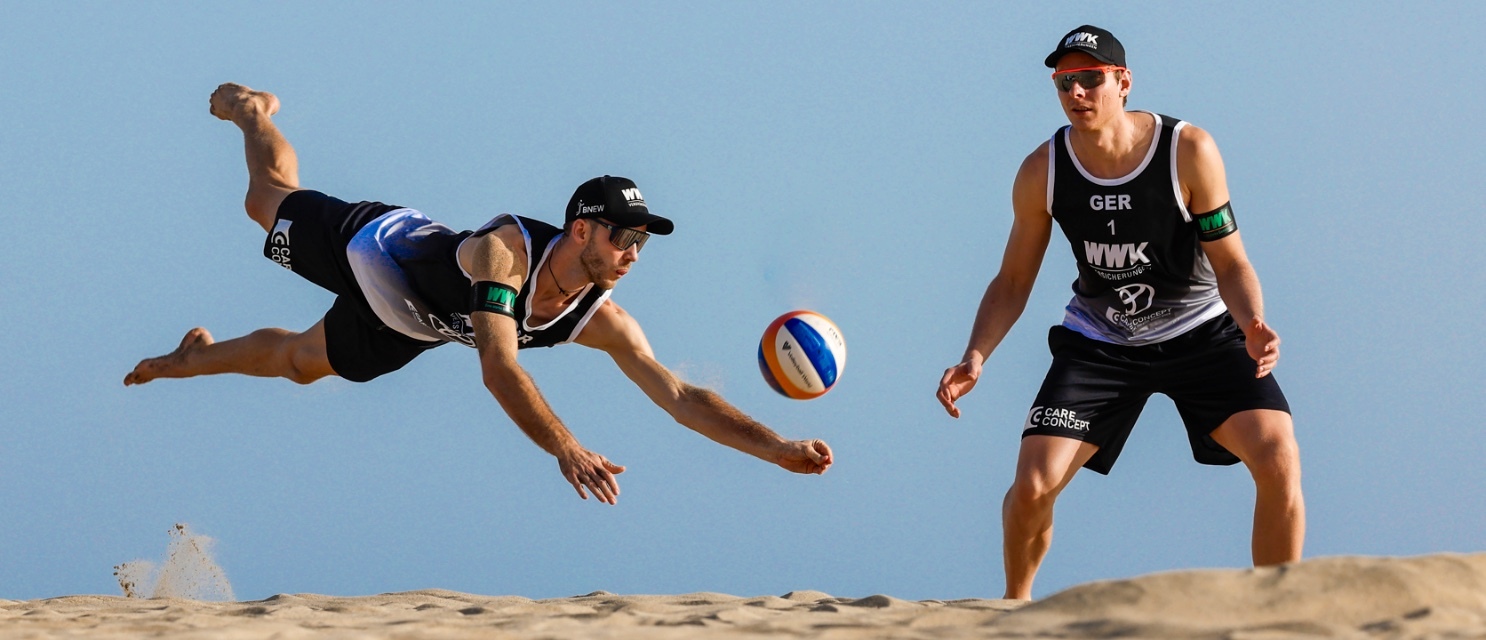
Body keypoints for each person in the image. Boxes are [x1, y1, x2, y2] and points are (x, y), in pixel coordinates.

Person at [126, 83, 833, 505]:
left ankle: (192, 357)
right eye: (623, 237)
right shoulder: (507, 254)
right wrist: (565, 447)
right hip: (377, 253)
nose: (632, 254)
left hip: (416, 324)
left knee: (300, 365)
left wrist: (775, 449)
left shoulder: (601, 317)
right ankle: (253, 112)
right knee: (262, 199)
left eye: (642, 244)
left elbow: (678, 397)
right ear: (582, 230)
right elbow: (498, 367)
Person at [936, 26, 1303, 599]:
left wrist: (1254, 321)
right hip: (1099, 345)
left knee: (1278, 451)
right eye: (1064, 83)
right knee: (1032, 485)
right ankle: (1015, 611)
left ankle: (1280, 611)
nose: (1076, 92)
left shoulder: (1188, 150)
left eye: (1090, 78)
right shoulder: (1044, 170)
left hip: (1200, 333)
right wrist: (975, 356)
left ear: (1123, 82)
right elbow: (1012, 281)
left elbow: (1230, 262)